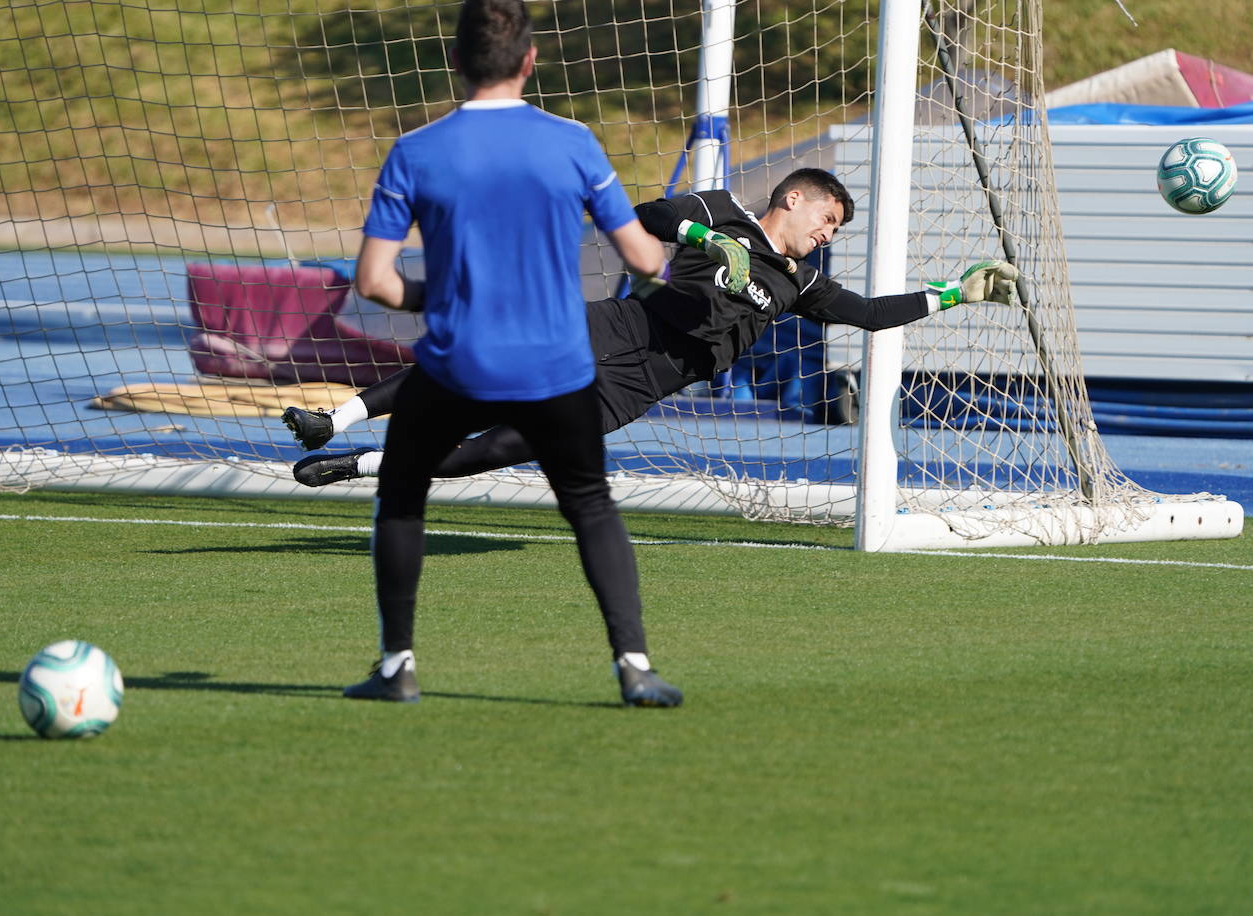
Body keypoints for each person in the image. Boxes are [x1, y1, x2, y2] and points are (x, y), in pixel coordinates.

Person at [339, 0, 739, 708]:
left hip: (458, 362)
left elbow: (374, 282)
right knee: (590, 504)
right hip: (555, 365)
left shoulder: (416, 150)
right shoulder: (575, 143)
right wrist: (698, 254)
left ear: (455, 61)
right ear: (529, 62)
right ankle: (635, 667)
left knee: (402, 500)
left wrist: (447, 297)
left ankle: (397, 667)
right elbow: (646, 259)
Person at [283, 167, 1018, 483]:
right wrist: (706, 242)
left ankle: (361, 468)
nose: (828, 233)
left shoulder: (802, 284)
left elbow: (870, 315)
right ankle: (335, 418)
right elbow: (646, 218)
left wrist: (955, 295)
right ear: (793, 199)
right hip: (622, 328)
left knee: (506, 446)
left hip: (648, 382)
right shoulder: (721, 210)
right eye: (827, 219)